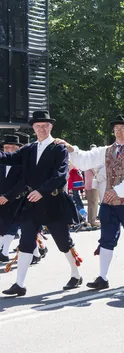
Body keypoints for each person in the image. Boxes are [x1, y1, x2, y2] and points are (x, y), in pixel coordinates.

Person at [59, 115, 124, 290]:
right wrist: (70, 149)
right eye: (116, 129)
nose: (119, 132)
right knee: (106, 239)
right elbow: (85, 160)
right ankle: (103, 277)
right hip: (109, 203)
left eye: (123, 129)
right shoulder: (105, 150)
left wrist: (115, 192)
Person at [0, 111, 83, 296]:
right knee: (26, 241)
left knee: (63, 241)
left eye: (45, 126)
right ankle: (19, 284)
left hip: (53, 201)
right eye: (38, 126)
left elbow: (60, 175)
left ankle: (76, 274)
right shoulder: (29, 149)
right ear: (33, 128)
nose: (42, 129)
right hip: (31, 202)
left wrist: (42, 191)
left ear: (51, 127)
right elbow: (9, 158)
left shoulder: (58, 148)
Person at [0, 135, 25, 262]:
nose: (8, 150)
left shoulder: (23, 163)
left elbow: (23, 183)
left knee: (15, 226)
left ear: (18, 148)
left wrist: (8, 196)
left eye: (11, 147)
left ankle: (4, 252)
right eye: (5, 147)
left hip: (17, 200)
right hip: (1, 200)